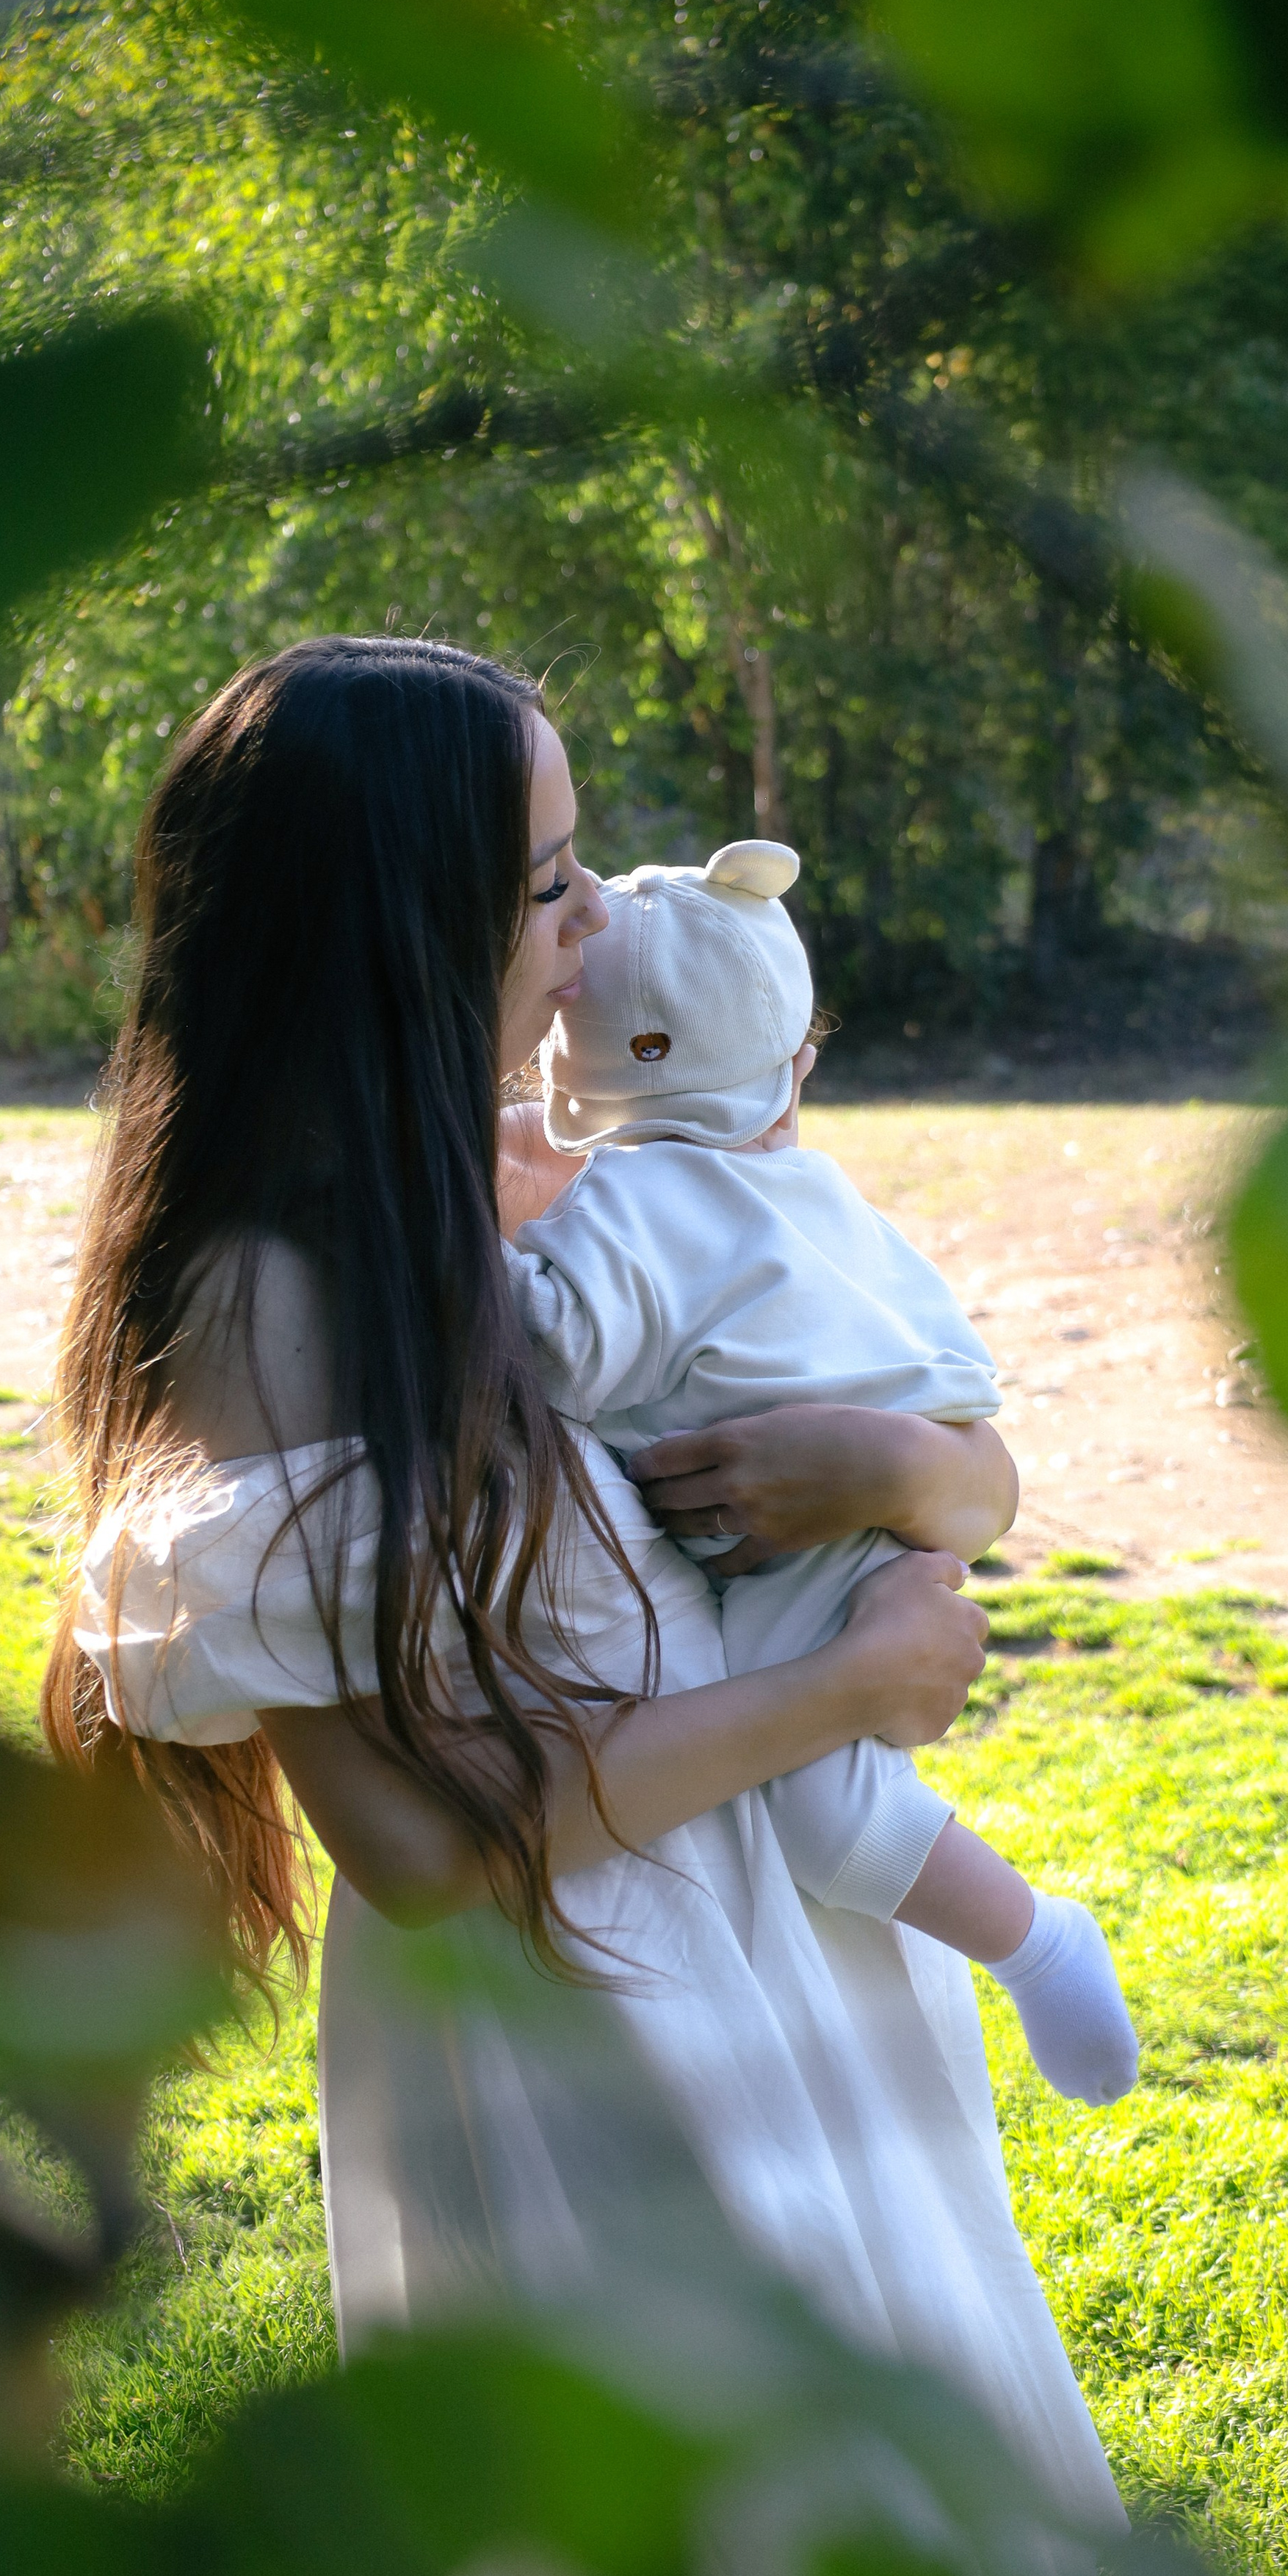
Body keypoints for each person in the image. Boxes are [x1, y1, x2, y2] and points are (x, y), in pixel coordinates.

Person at [48, 637, 1126, 2576]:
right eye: (551, 887)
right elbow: (432, 1851)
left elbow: (966, 1455)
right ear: (401, 919)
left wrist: (895, 1480)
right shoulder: (272, 1302)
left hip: (741, 1973)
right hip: (566, 2043)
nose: (602, 926)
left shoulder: (513, 1202)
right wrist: (844, 1688)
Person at [502, 838, 1138, 2110]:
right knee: (851, 1783)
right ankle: (1033, 1941)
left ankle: (1037, 1939)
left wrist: (479, 1236)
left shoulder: (636, 1203)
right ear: (791, 1075)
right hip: (898, 1511)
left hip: (801, 1546)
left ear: (574, 1097)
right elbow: (963, 1391)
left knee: (835, 1824)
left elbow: (541, 1346)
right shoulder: (816, 1193)